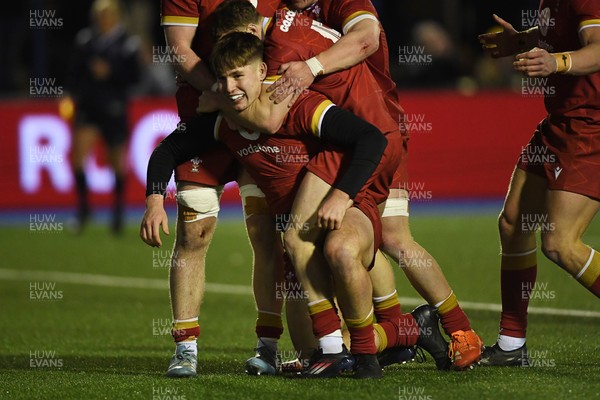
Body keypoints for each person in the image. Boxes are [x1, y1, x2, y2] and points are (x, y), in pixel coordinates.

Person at [220, 0, 483, 370]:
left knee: (313, 242)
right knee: (385, 237)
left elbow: (366, 39)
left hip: (363, 138)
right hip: (369, 127)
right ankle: (416, 331)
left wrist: (216, 98)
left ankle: (373, 340)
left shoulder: (294, 37)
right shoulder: (291, 21)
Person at [140, 0, 283, 378]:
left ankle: (268, 349)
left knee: (266, 234)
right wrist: (225, 94)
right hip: (206, 122)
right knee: (193, 233)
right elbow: (180, 50)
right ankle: (185, 349)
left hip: (259, 123)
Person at [478, 2, 600, 366]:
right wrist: (523, 40)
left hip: (591, 129)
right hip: (561, 122)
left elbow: (596, 47)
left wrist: (557, 62)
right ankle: (511, 345)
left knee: (560, 243)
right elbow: (560, 32)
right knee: (513, 223)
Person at [67, 0, 140, 234]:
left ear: (115, 17)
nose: (104, 19)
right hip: (89, 107)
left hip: (114, 107)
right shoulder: (86, 41)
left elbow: (135, 77)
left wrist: (111, 72)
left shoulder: (127, 44)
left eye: (108, 15)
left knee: (116, 161)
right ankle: (84, 209)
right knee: (78, 157)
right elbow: (74, 73)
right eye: (100, 15)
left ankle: (117, 213)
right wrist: (71, 94)